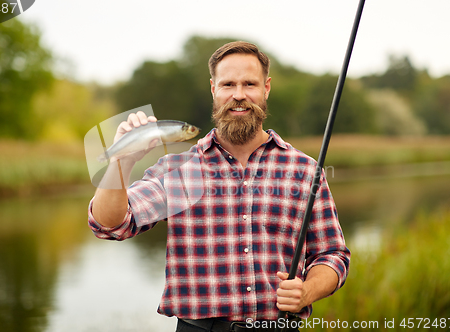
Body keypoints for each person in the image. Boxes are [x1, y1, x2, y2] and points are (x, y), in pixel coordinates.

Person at [88, 41, 350, 332]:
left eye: (249, 84)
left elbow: (332, 254)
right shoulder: (178, 170)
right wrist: (120, 162)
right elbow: (110, 224)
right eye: (228, 85)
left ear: (267, 88)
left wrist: (308, 290)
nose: (239, 95)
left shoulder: (304, 170)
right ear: (214, 89)